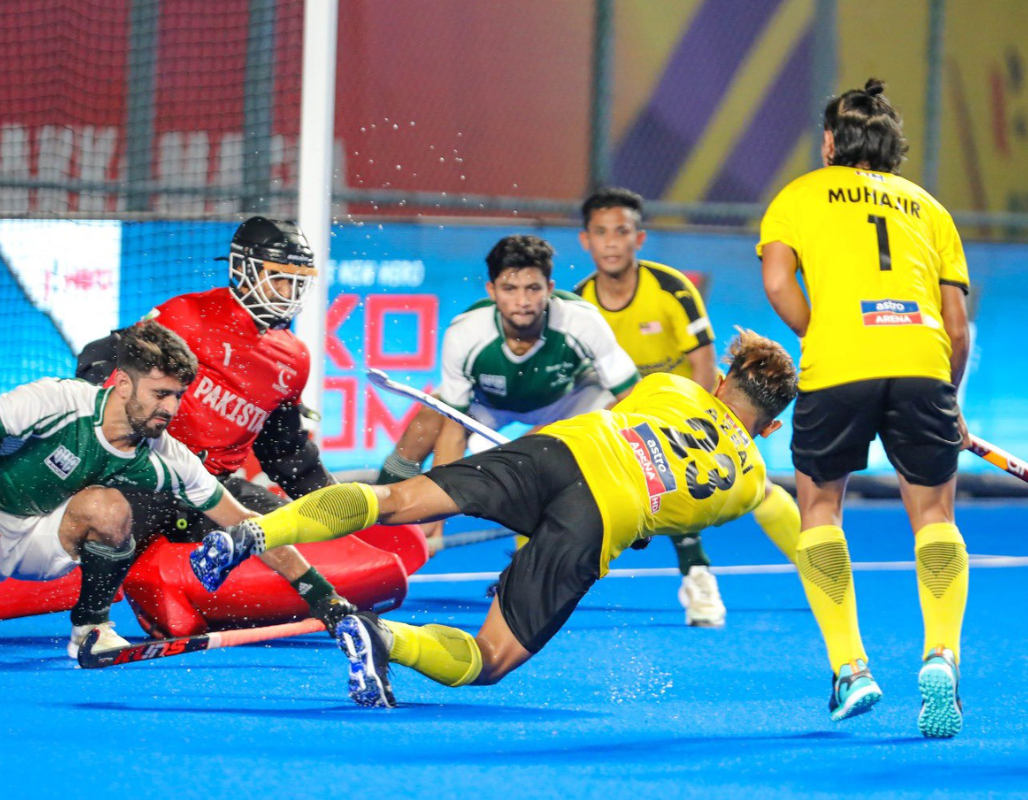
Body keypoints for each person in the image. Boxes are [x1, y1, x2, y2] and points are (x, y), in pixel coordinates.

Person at [189, 330, 798, 708]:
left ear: (722, 381)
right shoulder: (747, 485)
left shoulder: (672, 386)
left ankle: (258, 530)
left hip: (558, 451)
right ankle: (383, 638)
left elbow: (634, 434)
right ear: (771, 428)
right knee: (488, 658)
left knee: (394, 500)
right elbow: (658, 505)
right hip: (597, 518)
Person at [760, 79, 971, 738]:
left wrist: (817, 334)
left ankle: (850, 668)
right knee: (933, 514)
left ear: (830, 142)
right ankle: (941, 653)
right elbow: (957, 325)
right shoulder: (929, 207)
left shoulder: (796, 196)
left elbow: (775, 281)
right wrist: (950, 401)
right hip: (921, 364)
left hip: (838, 362)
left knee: (819, 509)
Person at [0, 321, 261, 657]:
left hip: (50, 536)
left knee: (109, 507)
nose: (171, 409)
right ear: (123, 384)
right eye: (161, 394)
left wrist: (319, 597)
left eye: (178, 396)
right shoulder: (57, 401)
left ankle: (91, 628)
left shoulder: (166, 455)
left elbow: (244, 523)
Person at [76, 216, 355, 633]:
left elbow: (285, 452)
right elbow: (103, 358)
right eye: (278, 279)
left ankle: (188, 592)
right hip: (150, 474)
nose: (289, 293)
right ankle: (97, 619)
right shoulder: (187, 315)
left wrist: (340, 508)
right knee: (113, 519)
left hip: (216, 488)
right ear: (243, 270)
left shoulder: (295, 359)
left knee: (289, 532)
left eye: (297, 282)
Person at [576, 187, 803, 627]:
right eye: (600, 232)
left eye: (621, 231)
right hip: (624, 421)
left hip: (691, 413)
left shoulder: (672, 290)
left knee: (757, 491)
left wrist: (691, 425)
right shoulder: (580, 304)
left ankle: (818, 571)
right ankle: (532, 559)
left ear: (638, 239)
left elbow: (703, 366)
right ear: (586, 241)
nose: (610, 242)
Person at [374, 234, 640, 551]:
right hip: (491, 405)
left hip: (566, 402)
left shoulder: (582, 322)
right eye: (510, 289)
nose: (523, 301)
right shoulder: (466, 333)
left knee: (571, 432)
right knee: (430, 417)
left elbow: (633, 398)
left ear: (550, 289)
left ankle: (531, 547)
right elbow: (454, 428)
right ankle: (377, 519)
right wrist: (437, 511)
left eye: (533, 288)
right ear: (492, 291)